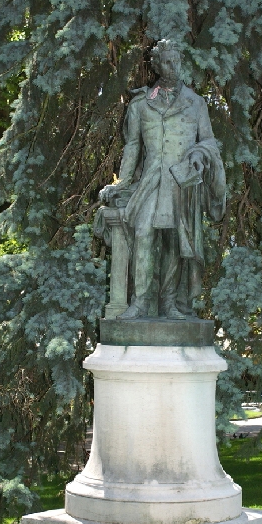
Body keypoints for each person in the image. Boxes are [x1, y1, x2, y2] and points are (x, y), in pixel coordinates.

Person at [98, 40, 226, 319]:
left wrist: (199, 154)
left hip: (181, 183)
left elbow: (208, 141)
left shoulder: (195, 103)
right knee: (144, 233)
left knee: (174, 242)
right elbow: (132, 146)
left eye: (177, 61)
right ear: (156, 65)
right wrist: (122, 183)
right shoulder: (141, 104)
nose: (173, 67)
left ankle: (169, 304)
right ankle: (140, 302)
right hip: (151, 181)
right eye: (167, 62)